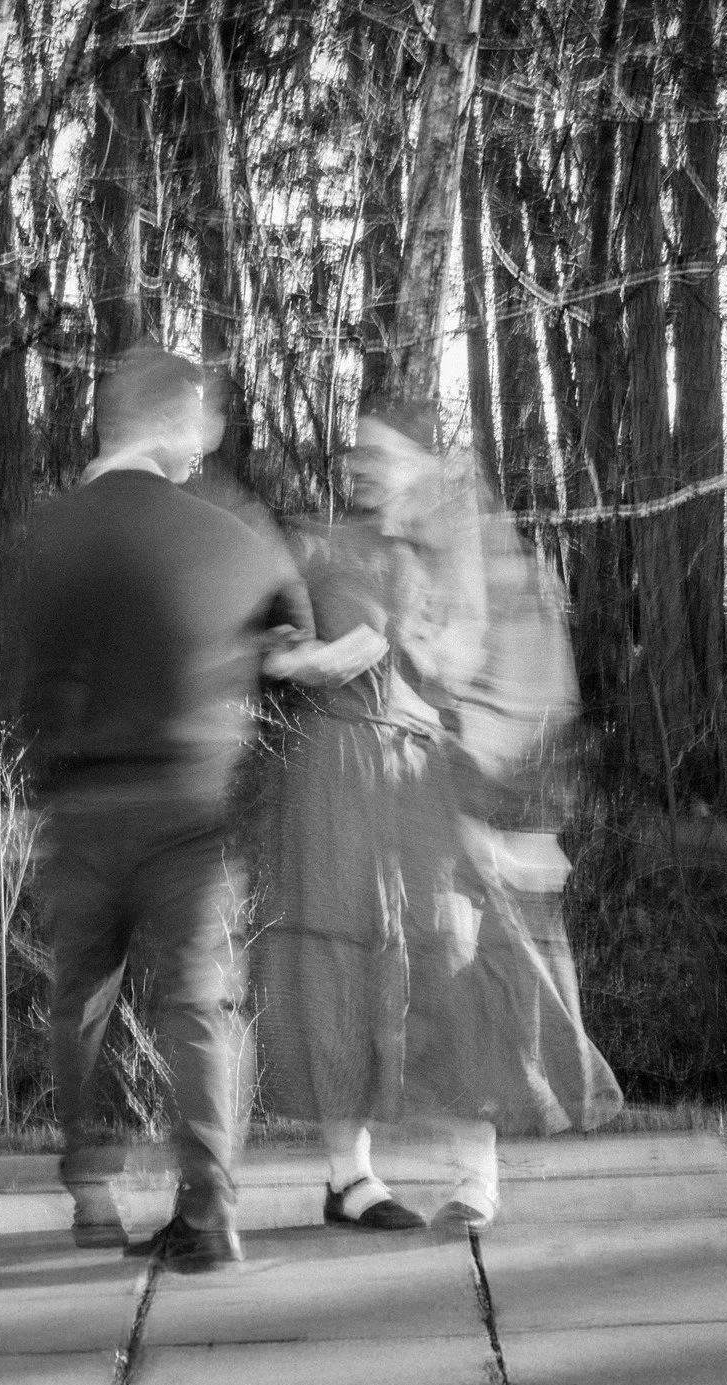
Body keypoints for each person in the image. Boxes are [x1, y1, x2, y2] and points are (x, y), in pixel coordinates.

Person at [256, 397, 621, 1235]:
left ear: (427, 464)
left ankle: (476, 1177)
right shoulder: (321, 544)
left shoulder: (475, 557)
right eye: (360, 455)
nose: (366, 469)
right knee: (339, 968)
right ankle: (350, 1180)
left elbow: (525, 685)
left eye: (385, 456)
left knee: (461, 968)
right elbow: (263, 642)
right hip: (338, 787)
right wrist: (303, 660)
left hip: (431, 792)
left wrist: (520, 814)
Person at [9, 347, 313, 1270]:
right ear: (170, 422)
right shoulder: (229, 533)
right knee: (200, 1006)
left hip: (85, 807)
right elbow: (293, 637)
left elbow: (17, 679)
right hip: (193, 806)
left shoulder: (45, 536)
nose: (208, 440)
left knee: (82, 1004)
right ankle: (211, 1210)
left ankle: (92, 1195)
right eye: (200, 422)